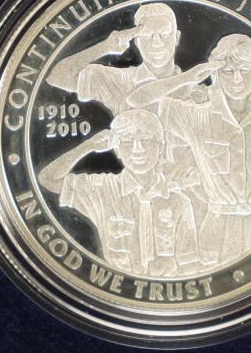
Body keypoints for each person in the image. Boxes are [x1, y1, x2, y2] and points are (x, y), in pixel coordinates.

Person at [127, 34, 251, 267]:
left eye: (244, 70)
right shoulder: (197, 118)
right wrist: (188, 78)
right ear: (217, 74)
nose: (237, 79)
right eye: (228, 71)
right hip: (216, 234)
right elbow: (136, 100)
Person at [37, 109, 200, 277]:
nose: (138, 149)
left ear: (161, 147)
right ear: (117, 150)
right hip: (116, 283)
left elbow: (189, 265)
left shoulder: (179, 201)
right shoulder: (101, 190)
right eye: (127, 142)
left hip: (163, 287)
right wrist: (88, 146)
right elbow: (47, 179)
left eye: (146, 140)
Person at [46, 2, 190, 116]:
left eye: (164, 34)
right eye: (147, 36)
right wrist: (105, 47)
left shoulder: (193, 88)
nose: (156, 43)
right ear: (137, 42)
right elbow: (57, 76)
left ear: (176, 38)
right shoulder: (119, 81)